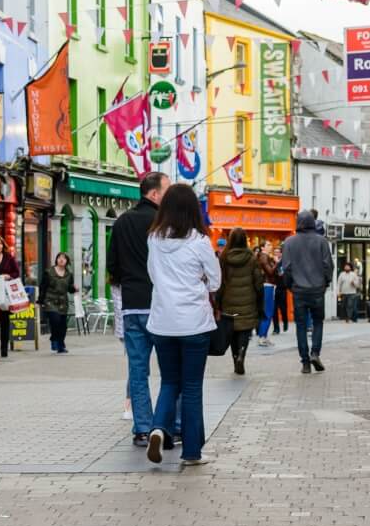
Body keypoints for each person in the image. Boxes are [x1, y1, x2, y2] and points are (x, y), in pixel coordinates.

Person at [144, 183, 220, 468]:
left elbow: (153, 275)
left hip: (162, 323)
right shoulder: (200, 241)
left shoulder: (154, 239)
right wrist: (199, 283)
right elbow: (215, 281)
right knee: (191, 387)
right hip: (194, 325)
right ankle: (191, 453)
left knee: (169, 382)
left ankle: (156, 429)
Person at [107, 171, 168, 446]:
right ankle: (167, 426)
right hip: (161, 305)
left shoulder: (122, 222)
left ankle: (143, 428)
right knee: (170, 370)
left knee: (138, 369)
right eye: (166, 190)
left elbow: (112, 266)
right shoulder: (163, 223)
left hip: (132, 305)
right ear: (154, 194)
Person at [279, 210, 333, 373]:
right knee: (317, 322)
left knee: (301, 326)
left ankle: (305, 362)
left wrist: (290, 285)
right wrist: (325, 283)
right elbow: (328, 265)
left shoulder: (289, 243)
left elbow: (286, 268)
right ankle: (315, 352)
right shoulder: (322, 241)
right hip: (317, 289)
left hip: (299, 291)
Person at [215, 229, 264, 375]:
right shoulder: (252, 258)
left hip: (228, 301)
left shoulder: (223, 257)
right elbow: (258, 282)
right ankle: (242, 353)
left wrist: (218, 302)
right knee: (244, 330)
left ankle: (235, 356)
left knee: (232, 332)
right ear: (244, 240)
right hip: (248, 301)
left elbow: (220, 282)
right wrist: (260, 301)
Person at [42, 252, 75, 353]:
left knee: (63, 325)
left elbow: (70, 288)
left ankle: (60, 345)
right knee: (55, 320)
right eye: (59, 258)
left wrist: (74, 289)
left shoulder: (69, 274)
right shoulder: (49, 272)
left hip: (63, 302)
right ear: (56, 260)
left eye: (64, 258)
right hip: (50, 300)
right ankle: (54, 340)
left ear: (67, 261)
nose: (61, 260)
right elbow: (43, 286)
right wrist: (40, 299)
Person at [255, 244, 278, 348]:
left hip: (267, 285)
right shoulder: (264, 256)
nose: (270, 246)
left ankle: (263, 336)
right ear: (263, 248)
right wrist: (277, 263)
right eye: (268, 245)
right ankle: (262, 337)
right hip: (267, 286)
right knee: (268, 312)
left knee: (268, 312)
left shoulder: (266, 256)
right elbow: (270, 271)